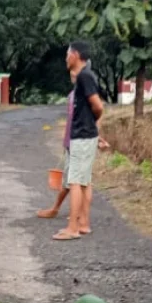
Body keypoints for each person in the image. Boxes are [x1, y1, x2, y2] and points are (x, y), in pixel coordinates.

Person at [53, 41, 104, 241]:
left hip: (83, 135)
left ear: (75, 54)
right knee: (84, 181)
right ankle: (83, 224)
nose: (66, 58)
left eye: (67, 54)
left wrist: (90, 122)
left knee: (75, 181)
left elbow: (98, 106)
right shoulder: (84, 77)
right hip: (85, 134)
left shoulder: (84, 76)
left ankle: (72, 227)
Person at [37, 70, 77, 220]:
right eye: (71, 73)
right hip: (71, 143)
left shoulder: (83, 94)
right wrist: (66, 140)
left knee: (75, 181)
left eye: (76, 72)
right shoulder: (72, 95)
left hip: (78, 143)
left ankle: (73, 213)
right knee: (71, 180)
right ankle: (61, 210)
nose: (72, 75)